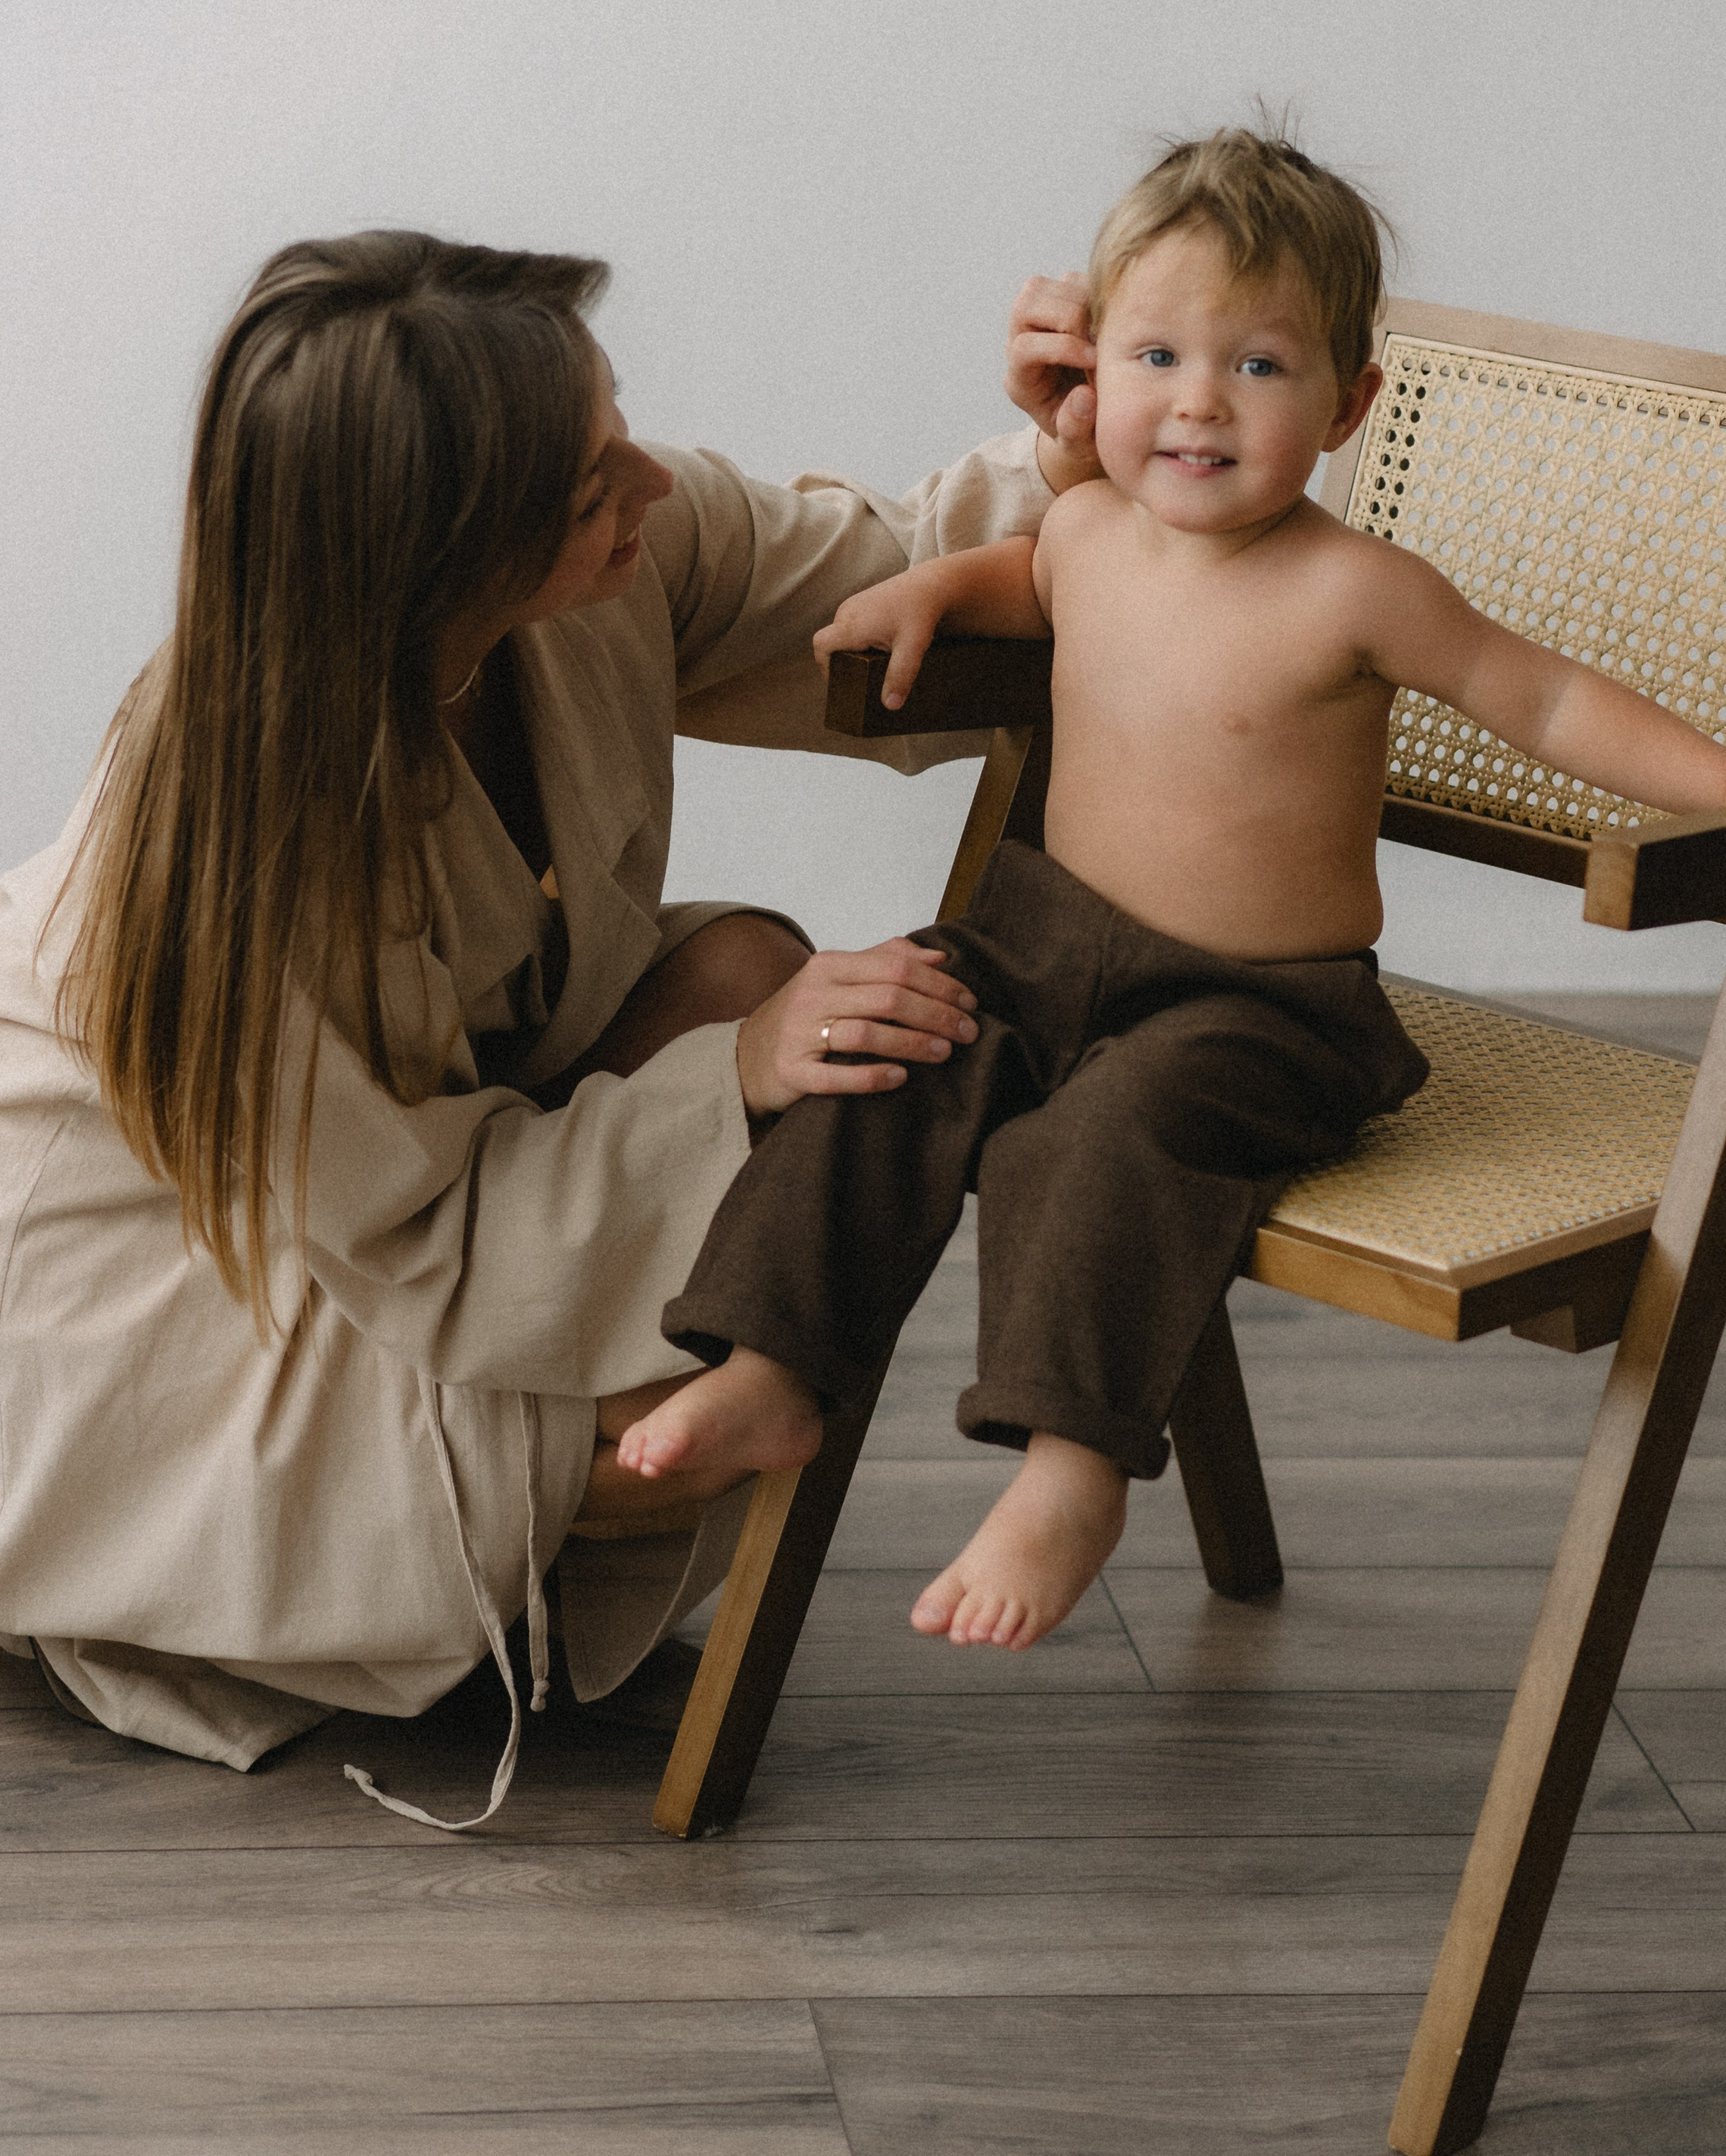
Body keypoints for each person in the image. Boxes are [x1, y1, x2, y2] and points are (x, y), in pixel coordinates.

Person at [614, 129, 1726, 1652]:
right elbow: (1011, 583)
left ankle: (1072, 1466)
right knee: (888, 1047)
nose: (1199, 401)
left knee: (1098, 1137)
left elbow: (1541, 698)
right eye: (1156, 354)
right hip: (1041, 949)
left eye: (1259, 365)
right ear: (1094, 370)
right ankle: (775, 1360)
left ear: (1346, 405)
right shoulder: (1084, 528)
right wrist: (923, 590)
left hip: (1257, 1013)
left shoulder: (1355, 589)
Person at [0, 229, 1086, 1817]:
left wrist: (1077, 449)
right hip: (157, 1248)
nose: (647, 479)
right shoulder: (231, 834)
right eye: (590, 486)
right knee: (677, 1406)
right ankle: (160, 1542)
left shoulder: (598, 545)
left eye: (614, 424)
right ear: (439, 559)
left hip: (428, 1163)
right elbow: (414, 1235)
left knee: (754, 981)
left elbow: (894, 574)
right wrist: (733, 1073)